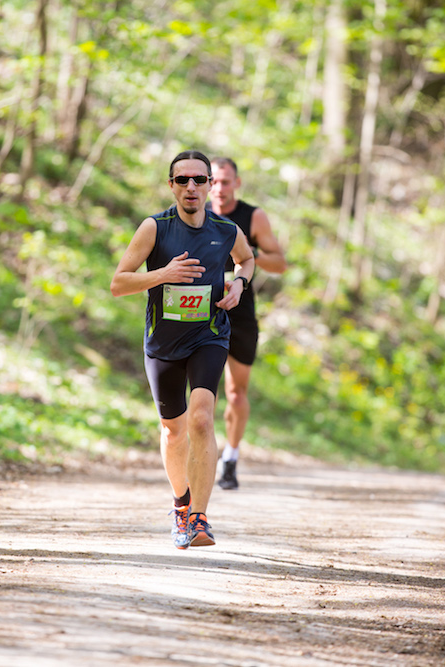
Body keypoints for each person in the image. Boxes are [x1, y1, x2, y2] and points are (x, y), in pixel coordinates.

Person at [111, 150, 256, 549]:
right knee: (173, 432)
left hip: (209, 335)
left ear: (210, 184)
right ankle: (181, 504)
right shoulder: (154, 228)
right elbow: (118, 283)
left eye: (199, 179)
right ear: (171, 185)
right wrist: (163, 274)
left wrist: (239, 284)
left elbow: (246, 260)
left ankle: (199, 518)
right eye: (182, 180)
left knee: (202, 419)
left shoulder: (226, 230)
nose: (191, 186)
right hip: (163, 343)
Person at [208, 157, 288, 490]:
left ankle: (230, 457)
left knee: (236, 393)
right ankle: (200, 457)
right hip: (203, 311)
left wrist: (248, 253)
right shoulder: (196, 214)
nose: (218, 188)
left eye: (225, 182)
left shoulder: (253, 216)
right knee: (202, 392)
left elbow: (280, 263)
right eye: (213, 181)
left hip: (240, 314)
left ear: (237, 184)